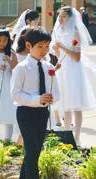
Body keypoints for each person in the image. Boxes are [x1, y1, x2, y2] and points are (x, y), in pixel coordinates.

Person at [10, 27, 59, 179]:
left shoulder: (49, 67)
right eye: (40, 46)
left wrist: (52, 98)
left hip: (42, 113)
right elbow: (15, 94)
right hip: (25, 113)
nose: (44, 50)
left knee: (35, 151)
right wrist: (37, 99)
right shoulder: (21, 68)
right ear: (29, 46)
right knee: (31, 151)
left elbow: (56, 92)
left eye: (47, 47)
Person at [51, 6, 96, 146]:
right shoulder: (59, 32)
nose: (60, 18)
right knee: (65, 104)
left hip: (74, 71)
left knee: (76, 105)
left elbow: (76, 57)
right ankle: (68, 134)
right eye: (59, 16)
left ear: (70, 18)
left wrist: (63, 47)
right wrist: (57, 50)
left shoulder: (75, 33)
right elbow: (61, 57)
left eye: (63, 16)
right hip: (63, 70)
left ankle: (76, 136)